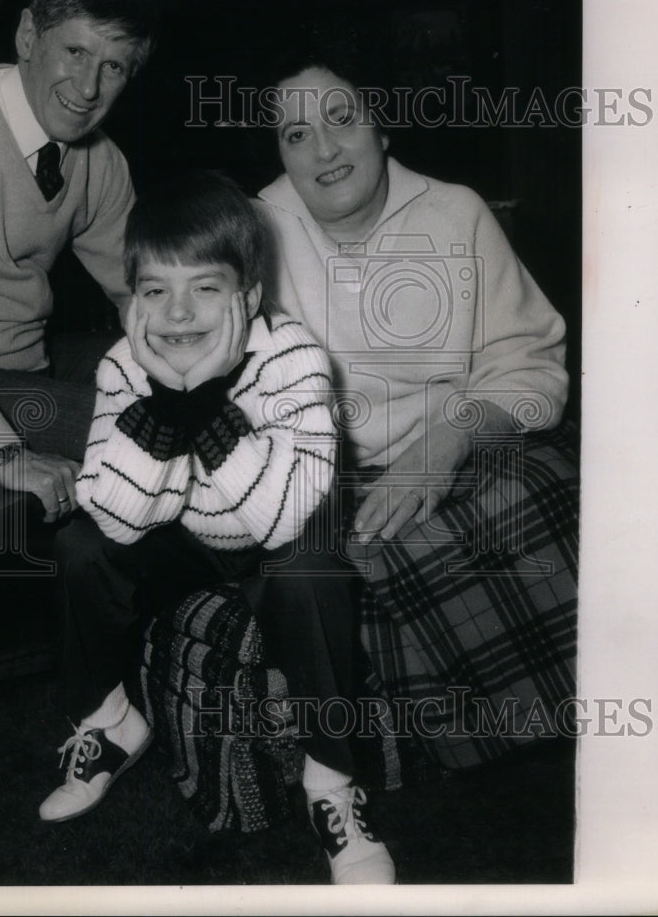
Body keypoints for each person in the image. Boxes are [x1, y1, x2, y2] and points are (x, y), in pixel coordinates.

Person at [42, 172, 397, 885]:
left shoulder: (294, 355)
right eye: (154, 291)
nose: (177, 315)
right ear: (131, 297)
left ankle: (330, 783)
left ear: (249, 296)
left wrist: (203, 405)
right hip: (187, 537)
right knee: (79, 545)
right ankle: (112, 721)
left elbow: (279, 517)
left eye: (205, 288)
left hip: (275, 537)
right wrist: (164, 398)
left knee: (309, 571)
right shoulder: (123, 365)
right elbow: (114, 513)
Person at [253, 38, 580, 772]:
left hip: (452, 452)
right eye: (296, 134)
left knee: (549, 491)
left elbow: (530, 367)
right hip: (320, 478)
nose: (324, 151)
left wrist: (450, 438)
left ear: (381, 124)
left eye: (341, 118)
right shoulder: (252, 231)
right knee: (334, 555)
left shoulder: (457, 214)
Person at [0, 0, 156, 524]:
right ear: (29, 34)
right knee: (157, 432)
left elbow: (146, 292)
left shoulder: (99, 160)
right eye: (75, 51)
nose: (87, 88)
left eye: (113, 67)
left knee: (200, 392)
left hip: (27, 367)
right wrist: (5, 455)